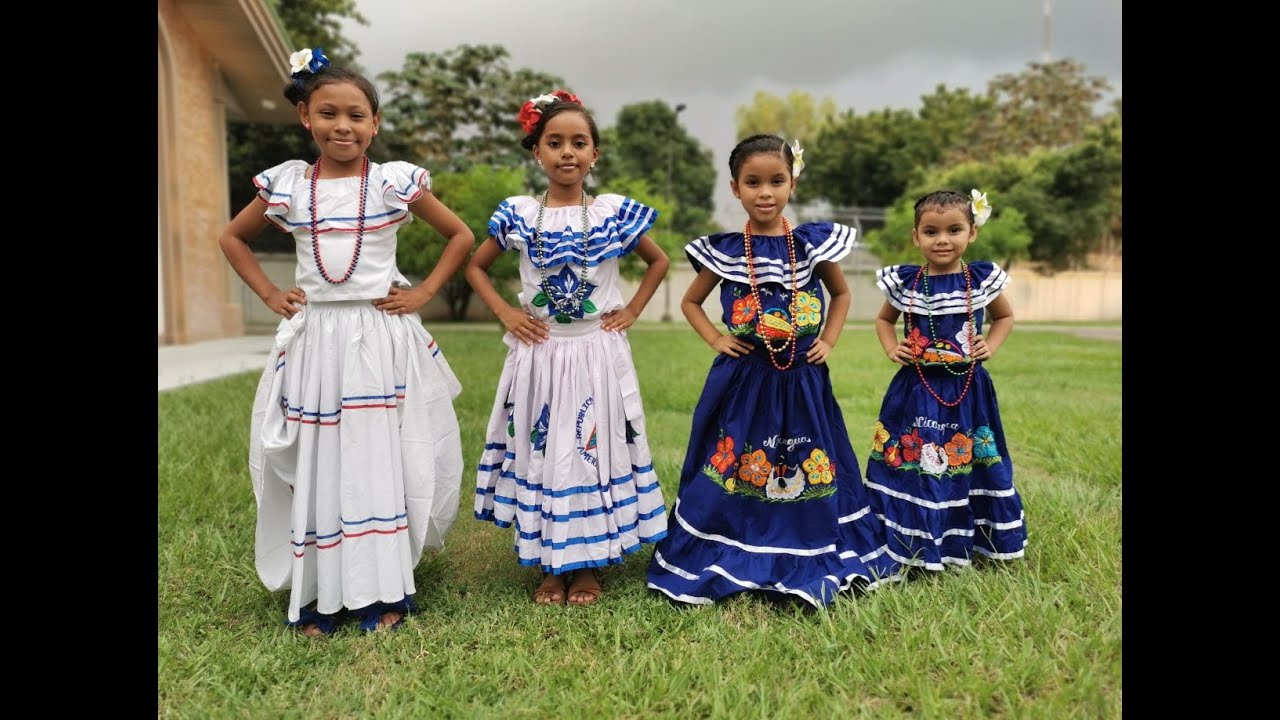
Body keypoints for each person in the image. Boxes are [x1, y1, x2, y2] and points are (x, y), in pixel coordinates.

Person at [218, 48, 475, 635]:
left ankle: (383, 589)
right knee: (323, 459)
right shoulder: (288, 185)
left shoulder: (392, 183)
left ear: (375, 123)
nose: (343, 126)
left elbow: (459, 235)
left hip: (379, 338)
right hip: (317, 344)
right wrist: (268, 294)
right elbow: (234, 238)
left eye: (357, 115)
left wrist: (422, 293)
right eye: (329, 113)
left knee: (378, 456)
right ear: (305, 115)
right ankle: (319, 591)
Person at [646, 134, 900, 607]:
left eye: (776, 181)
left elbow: (841, 295)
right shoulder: (725, 251)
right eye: (753, 182)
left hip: (802, 380)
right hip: (744, 381)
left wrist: (827, 340)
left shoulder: (810, 246)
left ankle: (808, 532)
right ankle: (731, 535)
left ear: (792, 183)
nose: (766, 192)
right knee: (738, 453)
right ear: (735, 188)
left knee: (807, 453)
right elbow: (691, 301)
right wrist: (718, 339)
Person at [466, 90, 670, 606]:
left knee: (590, 448)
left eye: (579, 142)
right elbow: (474, 266)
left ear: (595, 154)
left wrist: (631, 312)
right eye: (554, 142)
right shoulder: (520, 214)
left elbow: (658, 262)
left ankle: (589, 566)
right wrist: (509, 314)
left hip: (596, 353)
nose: (567, 153)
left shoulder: (611, 213)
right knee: (544, 450)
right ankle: (550, 565)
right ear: (536, 151)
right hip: (539, 355)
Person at [863, 189, 1027, 572]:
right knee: (919, 458)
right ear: (916, 236)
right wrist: (892, 349)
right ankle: (910, 536)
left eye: (954, 229)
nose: (942, 240)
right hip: (916, 390)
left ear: (971, 233)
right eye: (931, 231)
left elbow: (1004, 317)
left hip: (968, 389)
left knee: (966, 457)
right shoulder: (907, 283)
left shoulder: (981, 280)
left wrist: (992, 345)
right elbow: (884, 321)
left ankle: (971, 537)